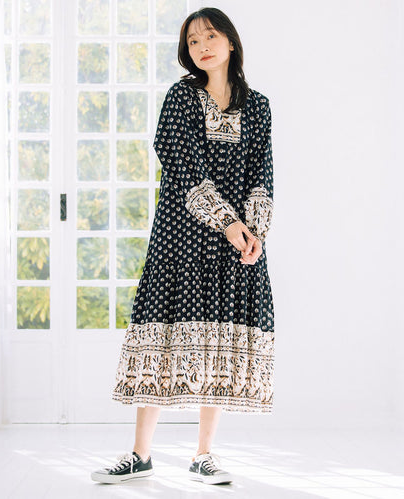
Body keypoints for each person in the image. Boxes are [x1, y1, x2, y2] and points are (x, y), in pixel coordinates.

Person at [91, 7, 275, 486]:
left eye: (210, 36)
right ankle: (140, 454)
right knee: (161, 335)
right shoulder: (181, 98)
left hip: (234, 244)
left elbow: (263, 174)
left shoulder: (258, 107)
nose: (202, 46)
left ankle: (204, 454)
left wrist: (254, 232)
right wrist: (228, 222)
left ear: (230, 41)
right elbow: (183, 164)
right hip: (180, 237)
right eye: (193, 41)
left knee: (217, 341)